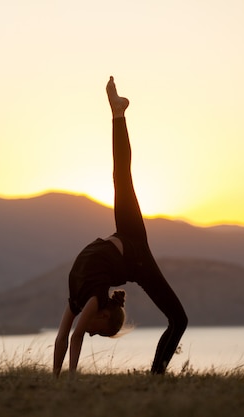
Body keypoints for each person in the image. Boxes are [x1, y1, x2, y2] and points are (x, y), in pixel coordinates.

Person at [53, 77, 188, 376]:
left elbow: (68, 336)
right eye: (99, 332)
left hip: (128, 242)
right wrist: (60, 382)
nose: (90, 333)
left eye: (96, 333)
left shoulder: (85, 300)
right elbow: (69, 337)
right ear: (104, 314)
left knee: (121, 177)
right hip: (132, 248)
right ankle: (118, 113)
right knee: (121, 177)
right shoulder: (89, 299)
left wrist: (62, 381)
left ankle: (118, 113)